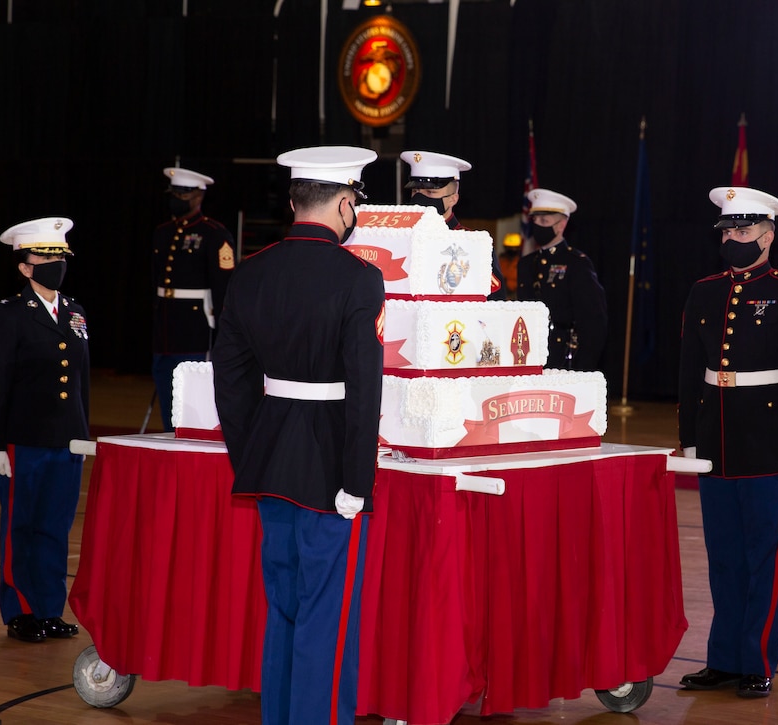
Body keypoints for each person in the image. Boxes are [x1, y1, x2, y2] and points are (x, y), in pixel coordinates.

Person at [213, 146, 385, 725]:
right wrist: (357, 481)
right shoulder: (360, 278)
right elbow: (364, 390)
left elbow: (231, 383)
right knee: (325, 616)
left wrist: (250, 452)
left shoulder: (252, 272)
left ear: (292, 203)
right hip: (330, 465)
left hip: (270, 459)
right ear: (344, 203)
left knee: (284, 607)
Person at [677, 187, 778, 697]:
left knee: (765, 559)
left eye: (743, 230)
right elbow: (690, 370)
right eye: (728, 231)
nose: (734, 239)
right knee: (724, 558)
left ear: (768, 234)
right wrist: (689, 438)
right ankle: (723, 660)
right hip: (715, 441)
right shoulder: (704, 290)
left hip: (766, 441)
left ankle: (757, 662)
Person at [0, 217, 89, 643]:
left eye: (60, 255)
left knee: (55, 526)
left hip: (65, 439)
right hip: (24, 439)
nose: (55, 262)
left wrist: (83, 432)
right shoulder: (11, 315)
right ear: (24, 267)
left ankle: (50, 609)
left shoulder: (75, 312)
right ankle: (19, 610)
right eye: (44, 255)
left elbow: (81, 382)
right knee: (19, 528)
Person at [152, 166, 235, 431]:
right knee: (165, 389)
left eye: (183, 194)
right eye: (174, 193)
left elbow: (224, 288)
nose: (176, 199)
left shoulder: (214, 234)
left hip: (196, 329)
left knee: (193, 397)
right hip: (164, 328)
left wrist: (225, 333)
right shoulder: (163, 232)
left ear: (198, 196)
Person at [517, 188, 607, 370]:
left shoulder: (575, 263)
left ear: (561, 225)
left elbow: (593, 321)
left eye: (544, 221)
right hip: (530, 354)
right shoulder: (526, 264)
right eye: (535, 220)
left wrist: (583, 370)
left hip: (564, 357)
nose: (538, 226)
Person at [399, 150, 505, 300]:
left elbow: (495, 299)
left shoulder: (472, 244)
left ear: (452, 199)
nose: (420, 198)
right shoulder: (400, 237)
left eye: (430, 193)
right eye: (415, 191)